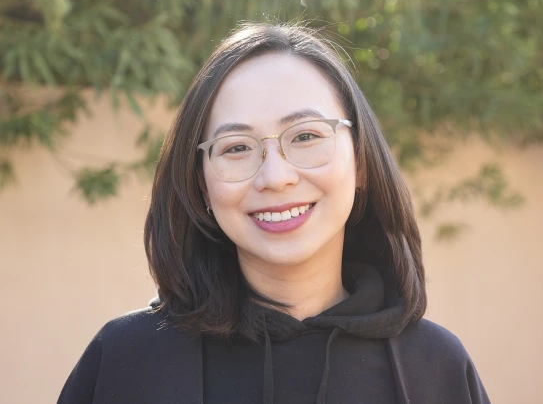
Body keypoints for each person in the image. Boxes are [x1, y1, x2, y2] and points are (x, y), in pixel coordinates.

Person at [57, 22, 490, 404]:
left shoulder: (436, 370)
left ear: (360, 161)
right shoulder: (126, 362)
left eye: (304, 136)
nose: (275, 177)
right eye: (237, 148)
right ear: (200, 184)